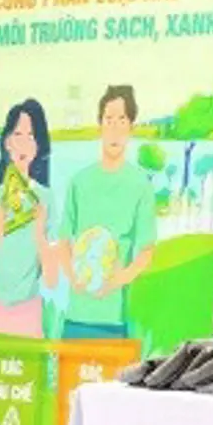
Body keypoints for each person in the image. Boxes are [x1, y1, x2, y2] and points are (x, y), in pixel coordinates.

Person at [59, 86, 156, 340]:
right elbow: (64, 241)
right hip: (76, 314)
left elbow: (146, 252)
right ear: (99, 124)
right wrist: (73, 277)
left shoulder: (140, 185)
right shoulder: (79, 181)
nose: (114, 128)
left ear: (131, 126)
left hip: (115, 317)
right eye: (108, 119)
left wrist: (116, 280)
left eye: (121, 120)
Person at [0, 99, 61, 338]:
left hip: (29, 313)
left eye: (31, 135)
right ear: (6, 142)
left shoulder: (45, 199)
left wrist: (40, 234)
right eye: (18, 134)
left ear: (39, 146)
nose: (24, 143)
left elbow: (53, 279)